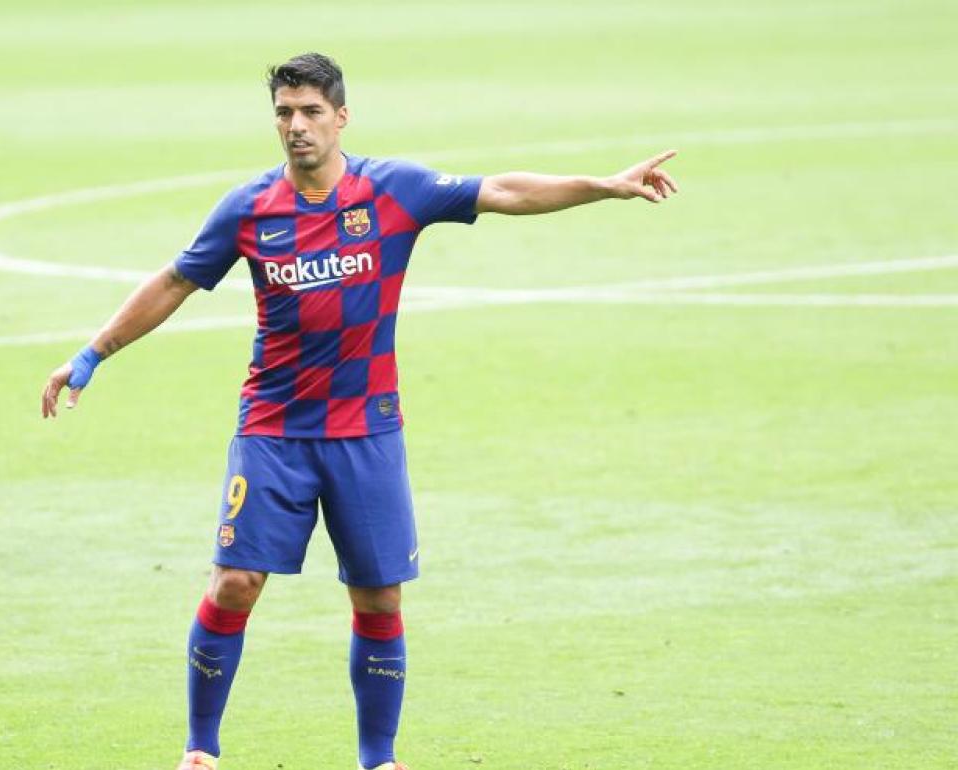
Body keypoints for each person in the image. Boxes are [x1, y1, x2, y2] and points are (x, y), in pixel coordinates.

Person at [41, 53, 677, 770]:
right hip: (273, 431)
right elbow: (177, 280)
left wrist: (605, 186)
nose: (296, 126)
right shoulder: (250, 208)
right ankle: (200, 749)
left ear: (342, 117)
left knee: (378, 598)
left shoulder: (394, 191)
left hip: (366, 432)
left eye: (311, 111)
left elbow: (502, 189)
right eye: (284, 112)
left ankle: (378, 759)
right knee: (235, 582)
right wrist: (91, 354)